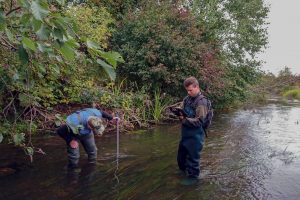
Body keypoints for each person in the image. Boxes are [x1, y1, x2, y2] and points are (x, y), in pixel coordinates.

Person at [177, 76, 209, 180]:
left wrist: (184, 120)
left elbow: (200, 121)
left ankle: (193, 180)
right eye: (187, 90)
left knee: (193, 160)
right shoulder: (187, 99)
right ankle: (183, 174)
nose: (188, 93)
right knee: (181, 158)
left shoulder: (202, 102)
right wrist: (175, 111)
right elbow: (181, 108)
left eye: (190, 90)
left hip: (196, 135)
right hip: (185, 134)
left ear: (197, 87)